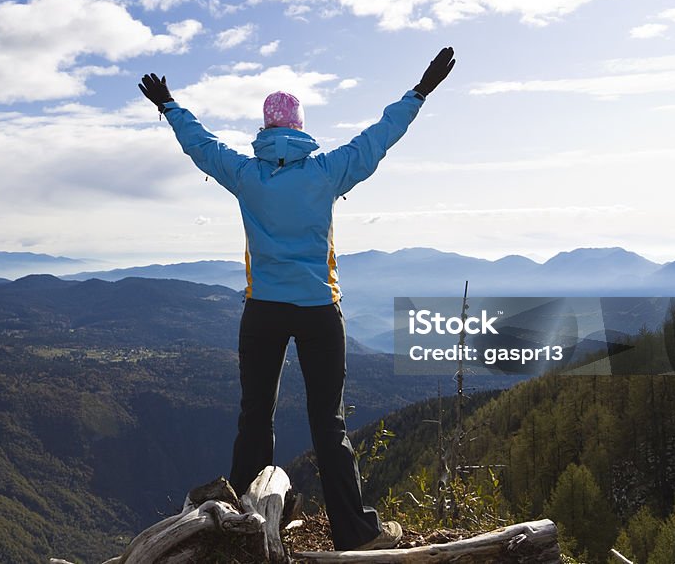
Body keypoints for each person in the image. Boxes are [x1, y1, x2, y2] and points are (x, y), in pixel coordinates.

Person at [138, 47, 456, 551]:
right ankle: (356, 531)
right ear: (301, 129)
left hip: (262, 309)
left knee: (255, 416)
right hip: (318, 310)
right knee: (328, 423)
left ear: (265, 130)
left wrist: (170, 105)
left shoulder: (246, 175)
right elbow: (377, 138)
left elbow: (201, 145)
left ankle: (241, 529)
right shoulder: (326, 172)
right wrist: (419, 92)